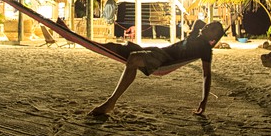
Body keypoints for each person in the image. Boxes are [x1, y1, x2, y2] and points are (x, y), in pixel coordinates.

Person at [88, 20, 225, 116]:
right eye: (210, 24)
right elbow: (199, 22)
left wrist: (204, 101)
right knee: (115, 47)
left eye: (212, 29)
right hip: (156, 51)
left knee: (134, 59)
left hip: (163, 59)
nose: (207, 26)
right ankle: (84, 41)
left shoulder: (205, 49)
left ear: (213, 37)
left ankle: (111, 102)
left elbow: (207, 75)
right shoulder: (196, 34)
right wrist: (213, 34)